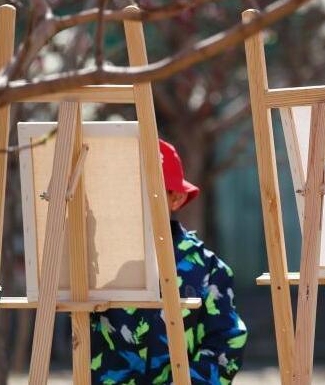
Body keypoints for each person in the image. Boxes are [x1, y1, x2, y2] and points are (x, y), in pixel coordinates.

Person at [90, 139, 248, 385]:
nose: (136, 202)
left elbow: (228, 340)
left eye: (149, 192)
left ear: (176, 198)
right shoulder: (100, 265)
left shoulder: (208, 270)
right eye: (129, 192)